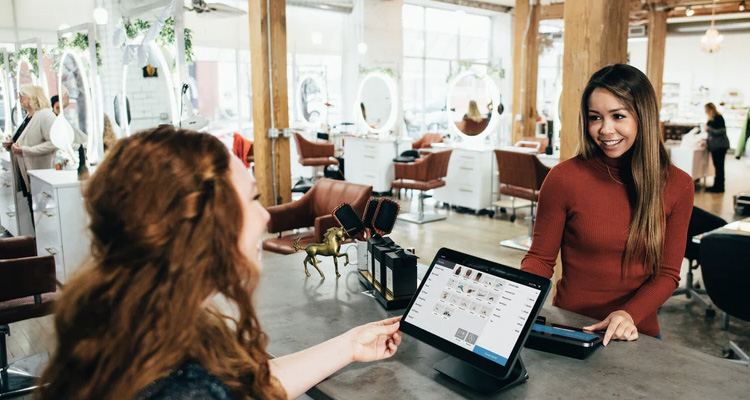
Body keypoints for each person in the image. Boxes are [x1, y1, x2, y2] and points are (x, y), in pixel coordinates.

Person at [38, 126, 402, 400]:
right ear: (200, 226)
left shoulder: (138, 323)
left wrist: (349, 345)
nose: (264, 218)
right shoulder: (183, 390)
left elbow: (249, 386)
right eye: (253, 199)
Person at [521, 64, 694, 346]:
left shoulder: (678, 185)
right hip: (569, 328)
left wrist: (628, 314)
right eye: (595, 117)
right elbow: (540, 260)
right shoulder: (564, 178)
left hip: (636, 334)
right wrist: (516, 298)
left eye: (618, 116)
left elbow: (667, 274)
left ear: (643, 117)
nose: (604, 129)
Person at [2, 85, 56, 197]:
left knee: (37, 206)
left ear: (33, 97)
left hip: (38, 171)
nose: (19, 98)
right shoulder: (29, 116)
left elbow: (53, 143)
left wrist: (25, 150)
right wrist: (11, 145)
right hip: (25, 170)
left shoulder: (45, 115)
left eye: (23, 95)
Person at [704, 102, 729, 193]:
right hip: (716, 146)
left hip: (720, 146)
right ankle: (717, 185)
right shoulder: (712, 119)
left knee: (719, 167)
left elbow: (721, 131)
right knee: (717, 166)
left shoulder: (718, 118)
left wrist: (709, 129)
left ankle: (719, 187)